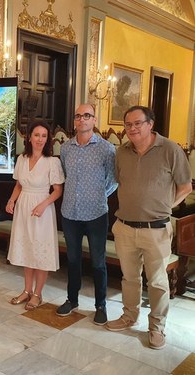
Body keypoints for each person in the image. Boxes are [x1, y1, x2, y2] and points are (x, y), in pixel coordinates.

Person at [106, 106, 192, 350]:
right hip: (124, 227)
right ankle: (129, 316)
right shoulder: (121, 152)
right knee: (129, 278)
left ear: (150, 124)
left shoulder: (170, 150)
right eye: (128, 124)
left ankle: (156, 327)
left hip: (156, 230)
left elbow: (185, 187)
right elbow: (119, 182)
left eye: (138, 123)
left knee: (157, 281)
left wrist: (165, 206)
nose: (132, 128)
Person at [56, 103, 117, 325]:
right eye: (78, 116)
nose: (82, 119)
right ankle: (72, 300)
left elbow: (113, 180)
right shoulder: (65, 149)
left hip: (96, 215)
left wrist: (98, 196)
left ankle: (101, 305)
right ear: (74, 121)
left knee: (98, 262)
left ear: (94, 120)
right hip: (70, 213)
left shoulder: (106, 149)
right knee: (72, 260)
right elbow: (64, 175)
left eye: (87, 115)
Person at [6, 122, 64, 310]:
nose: (40, 139)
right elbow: (19, 185)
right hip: (23, 206)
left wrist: (43, 205)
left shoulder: (52, 161)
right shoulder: (22, 159)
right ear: (29, 137)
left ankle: (37, 294)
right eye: (37, 135)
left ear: (48, 139)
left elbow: (57, 190)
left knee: (40, 252)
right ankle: (26, 290)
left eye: (44, 136)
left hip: (42, 209)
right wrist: (11, 201)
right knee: (27, 250)